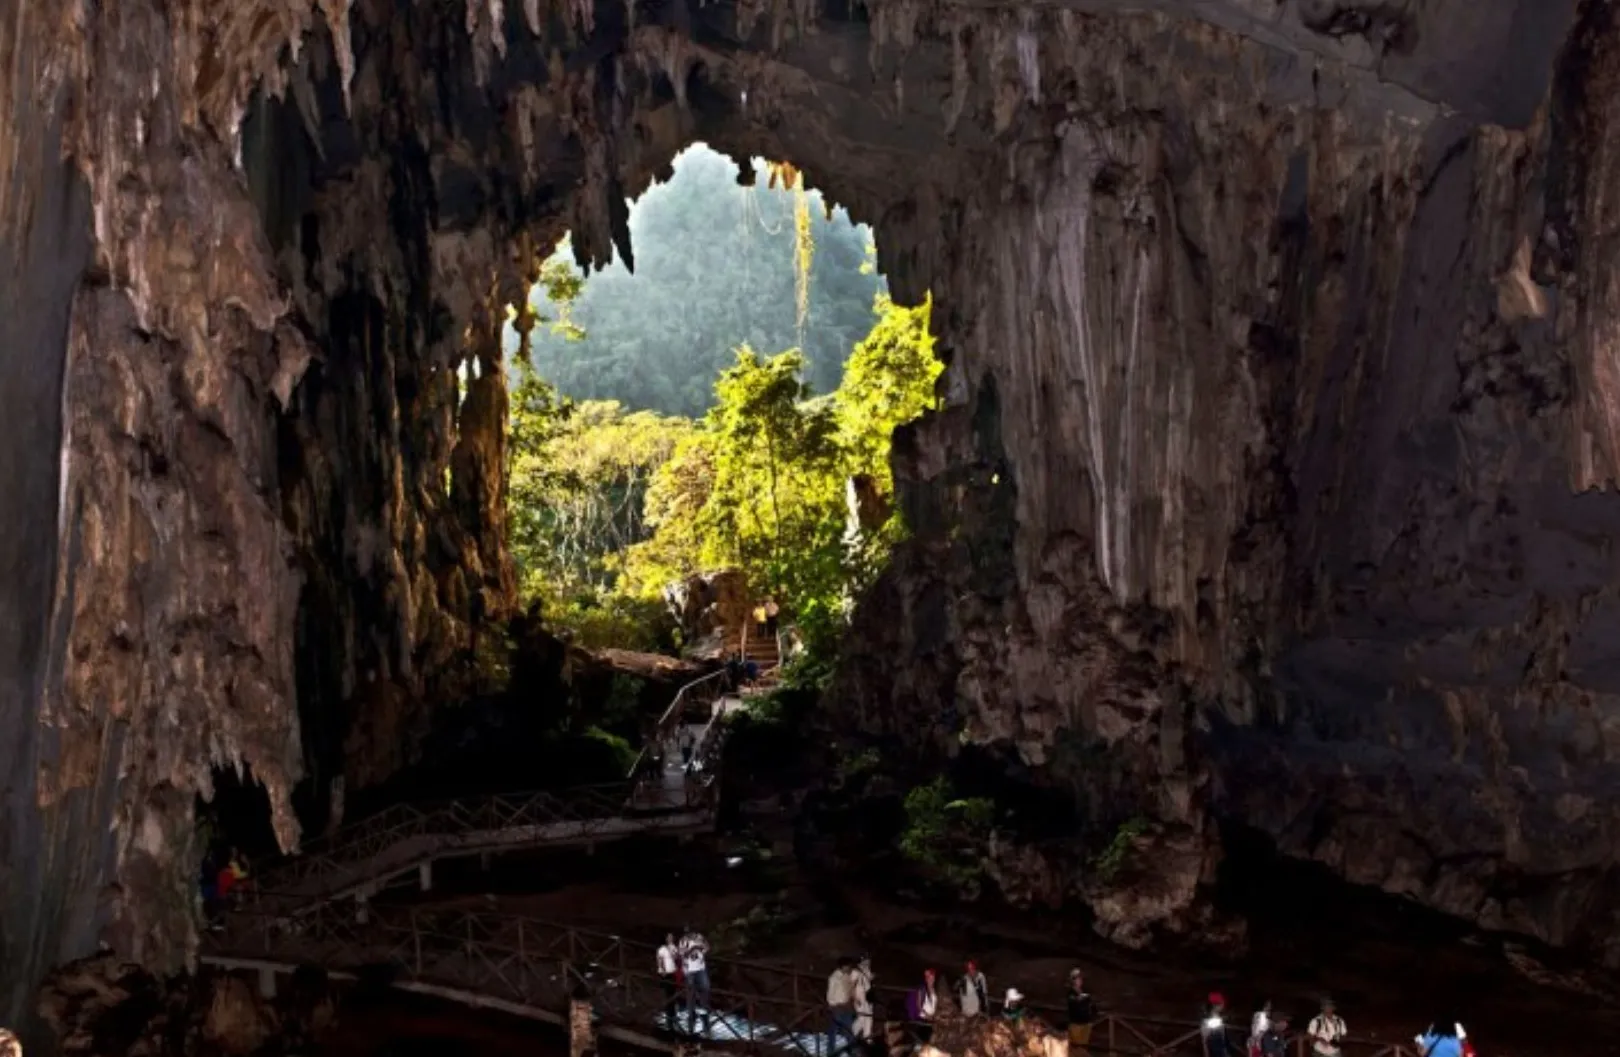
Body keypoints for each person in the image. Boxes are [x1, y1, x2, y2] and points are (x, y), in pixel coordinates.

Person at [678, 924, 711, 1033]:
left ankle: (704, 1016)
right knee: (690, 993)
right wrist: (692, 949)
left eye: (690, 932)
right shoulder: (683, 941)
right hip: (690, 971)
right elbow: (682, 955)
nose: (689, 934)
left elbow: (707, 947)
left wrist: (702, 949)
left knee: (705, 990)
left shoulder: (699, 937)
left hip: (701, 969)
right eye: (687, 933)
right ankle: (691, 1017)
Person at [827, 957, 858, 1055]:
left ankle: (832, 1051)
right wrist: (833, 1006)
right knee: (845, 1030)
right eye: (848, 966)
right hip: (838, 1007)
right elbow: (830, 995)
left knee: (835, 1030)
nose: (849, 968)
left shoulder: (846, 976)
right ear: (843, 966)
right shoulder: (834, 978)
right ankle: (851, 1051)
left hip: (846, 1006)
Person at [1066, 969, 1097, 1051]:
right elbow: (1074, 1003)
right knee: (1076, 1048)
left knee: (1083, 1048)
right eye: (1078, 979)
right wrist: (1083, 998)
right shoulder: (1071, 993)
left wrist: (1092, 1016)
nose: (1080, 981)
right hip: (1076, 1025)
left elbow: (1091, 1005)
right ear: (1073, 980)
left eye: (1081, 979)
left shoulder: (1084, 992)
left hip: (1086, 1023)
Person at [904, 968, 939, 1042]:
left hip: (931, 1019)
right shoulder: (922, 989)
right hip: (922, 1018)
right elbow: (918, 1005)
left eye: (933, 978)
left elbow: (934, 1004)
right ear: (926, 979)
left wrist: (934, 1016)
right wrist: (927, 1015)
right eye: (929, 978)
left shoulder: (934, 990)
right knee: (924, 1040)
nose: (931, 980)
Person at [656, 932, 682, 1030]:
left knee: (673, 994)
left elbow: (677, 957)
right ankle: (669, 1017)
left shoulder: (673, 947)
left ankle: (672, 1015)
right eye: (669, 937)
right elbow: (659, 960)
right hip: (666, 974)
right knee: (668, 995)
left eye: (672, 937)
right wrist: (661, 970)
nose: (671, 938)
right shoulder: (662, 949)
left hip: (673, 973)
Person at [851, 956, 875, 1044]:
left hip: (867, 997)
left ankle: (867, 1037)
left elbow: (868, 979)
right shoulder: (855, 972)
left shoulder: (866, 970)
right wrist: (855, 998)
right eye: (866, 961)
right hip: (859, 997)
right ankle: (851, 1034)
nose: (868, 963)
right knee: (861, 1017)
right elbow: (852, 985)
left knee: (869, 1017)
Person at [1201, 993, 1229, 1057]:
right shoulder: (1208, 1021)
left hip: (1220, 1051)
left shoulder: (1218, 1018)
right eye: (1222, 1003)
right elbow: (1205, 1041)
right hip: (1215, 1053)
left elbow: (1223, 1038)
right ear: (1215, 1005)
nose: (1223, 1005)